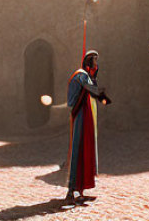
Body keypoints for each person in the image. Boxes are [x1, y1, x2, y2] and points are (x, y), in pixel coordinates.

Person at [65, 50, 111, 204]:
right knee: (79, 150)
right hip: (80, 116)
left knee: (85, 150)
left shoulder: (85, 75)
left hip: (85, 116)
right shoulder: (81, 75)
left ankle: (80, 190)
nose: (97, 65)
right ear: (88, 64)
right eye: (95, 62)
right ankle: (71, 190)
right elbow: (93, 90)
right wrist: (104, 98)